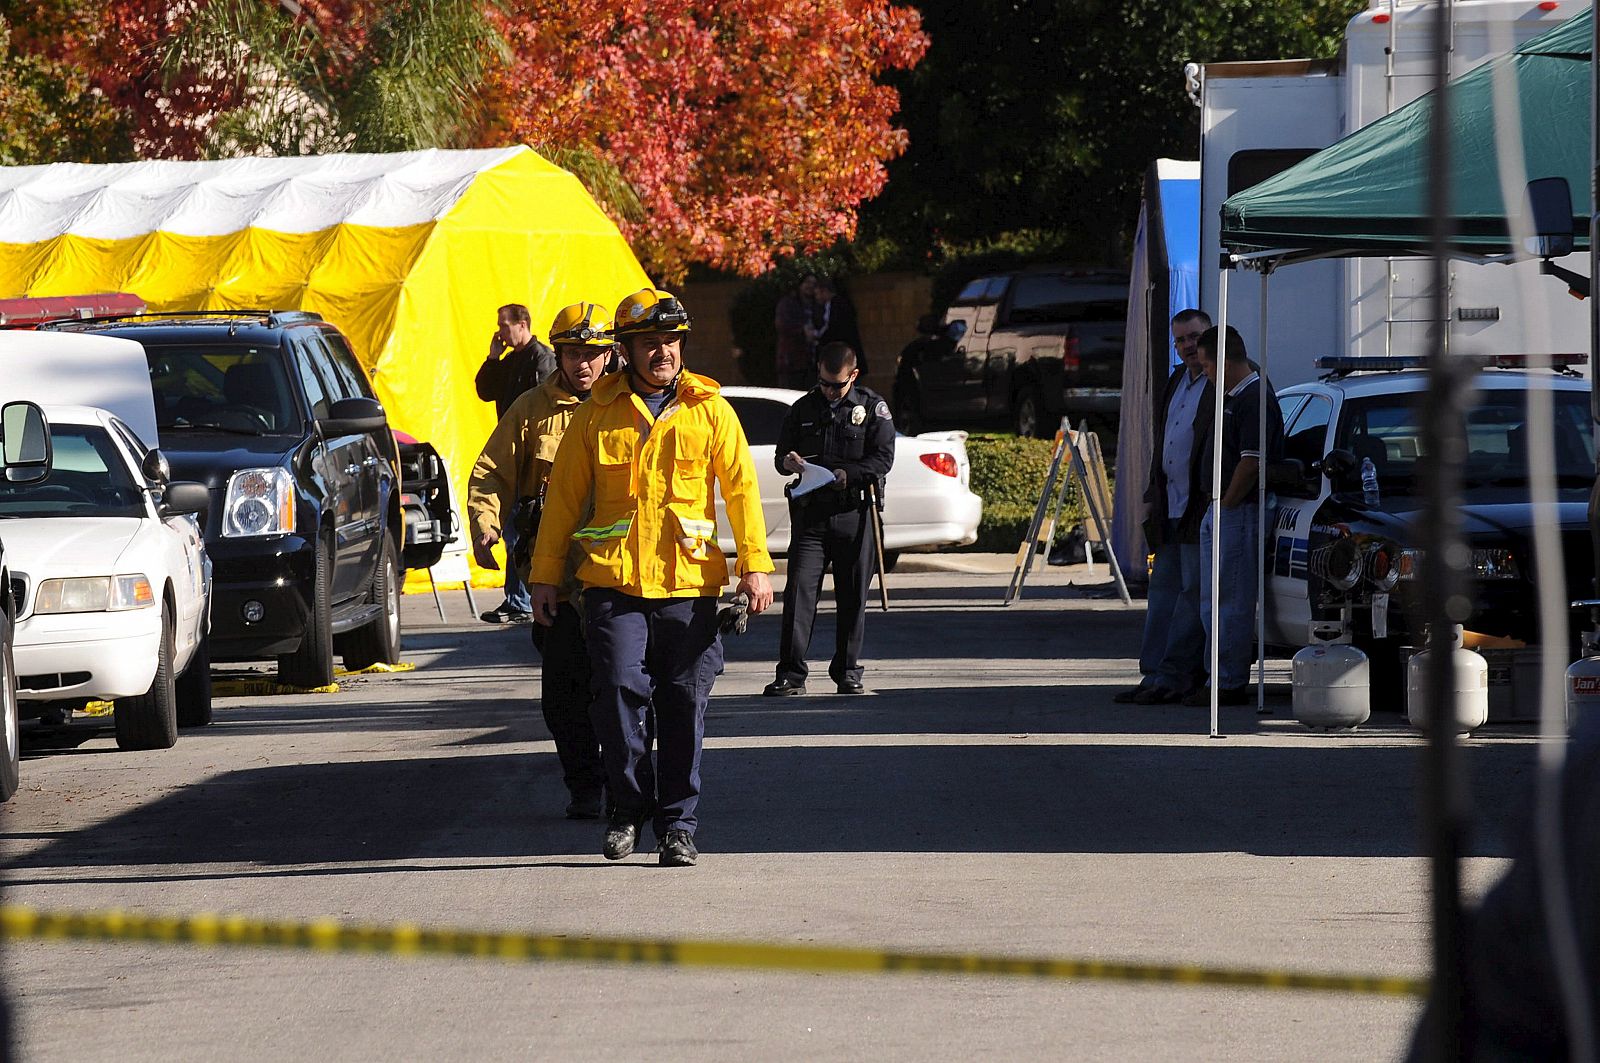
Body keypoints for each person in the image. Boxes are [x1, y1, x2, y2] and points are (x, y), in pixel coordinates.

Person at [529, 288, 775, 868]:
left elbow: (741, 492)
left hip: (690, 587)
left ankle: (677, 826)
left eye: (670, 342)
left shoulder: (710, 409)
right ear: (626, 350)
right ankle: (627, 809)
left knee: (683, 704)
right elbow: (563, 501)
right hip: (613, 586)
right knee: (614, 692)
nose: (661, 353)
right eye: (648, 344)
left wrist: (756, 567)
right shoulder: (596, 413)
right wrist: (545, 578)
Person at [468, 302, 615, 820]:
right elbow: (490, 472)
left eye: (593, 355)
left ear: (609, 354)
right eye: (573, 354)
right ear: (559, 353)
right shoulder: (531, 409)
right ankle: (585, 785)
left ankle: (625, 783)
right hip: (554, 581)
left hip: (621, 578)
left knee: (619, 689)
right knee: (563, 696)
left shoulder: (626, 407)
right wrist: (486, 523)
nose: (582, 365)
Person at [765, 341, 895, 697]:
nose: (829, 391)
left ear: (853, 376)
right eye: (823, 382)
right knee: (798, 596)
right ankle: (791, 675)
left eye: (836, 385)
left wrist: (847, 475)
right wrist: (789, 462)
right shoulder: (804, 407)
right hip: (812, 516)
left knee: (852, 597)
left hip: (854, 511)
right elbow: (780, 456)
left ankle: (848, 671)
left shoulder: (871, 408)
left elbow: (882, 459)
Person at [1114, 309, 1214, 705]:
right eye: (1181, 340)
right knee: (1163, 590)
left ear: (1211, 336)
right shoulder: (1178, 380)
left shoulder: (1221, 380)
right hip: (1169, 504)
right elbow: (1166, 440)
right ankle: (1153, 674)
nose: (1188, 346)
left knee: (1192, 592)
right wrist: (1152, 494)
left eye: (1194, 337)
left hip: (1199, 508)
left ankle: (1177, 676)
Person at [1185, 324, 1283, 707]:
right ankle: (1216, 675)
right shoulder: (1232, 396)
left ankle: (1227, 680)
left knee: (1231, 598)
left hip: (1239, 510)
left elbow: (1251, 462)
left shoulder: (1254, 398)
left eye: (1207, 366)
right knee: (1214, 599)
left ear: (1225, 361)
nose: (1205, 374)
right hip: (1222, 506)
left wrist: (1226, 503)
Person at [476, 303, 557, 624]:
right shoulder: (511, 361)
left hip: (534, 458)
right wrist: (493, 358)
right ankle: (517, 598)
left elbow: (549, 405)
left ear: (521, 325)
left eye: (503, 326)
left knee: (520, 530)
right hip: (513, 452)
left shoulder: (542, 359)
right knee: (514, 529)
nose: (500, 332)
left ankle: (520, 598)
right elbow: (484, 391)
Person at [813, 277, 867, 377]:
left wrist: (818, 337)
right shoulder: (832, 305)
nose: (817, 297)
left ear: (824, 291)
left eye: (817, 294)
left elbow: (833, 328)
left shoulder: (837, 305)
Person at [774, 275, 819, 390]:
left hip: (812, 361)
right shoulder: (788, 303)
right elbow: (782, 325)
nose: (810, 286)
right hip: (791, 361)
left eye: (814, 284)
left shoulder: (817, 305)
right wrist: (802, 331)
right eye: (807, 282)